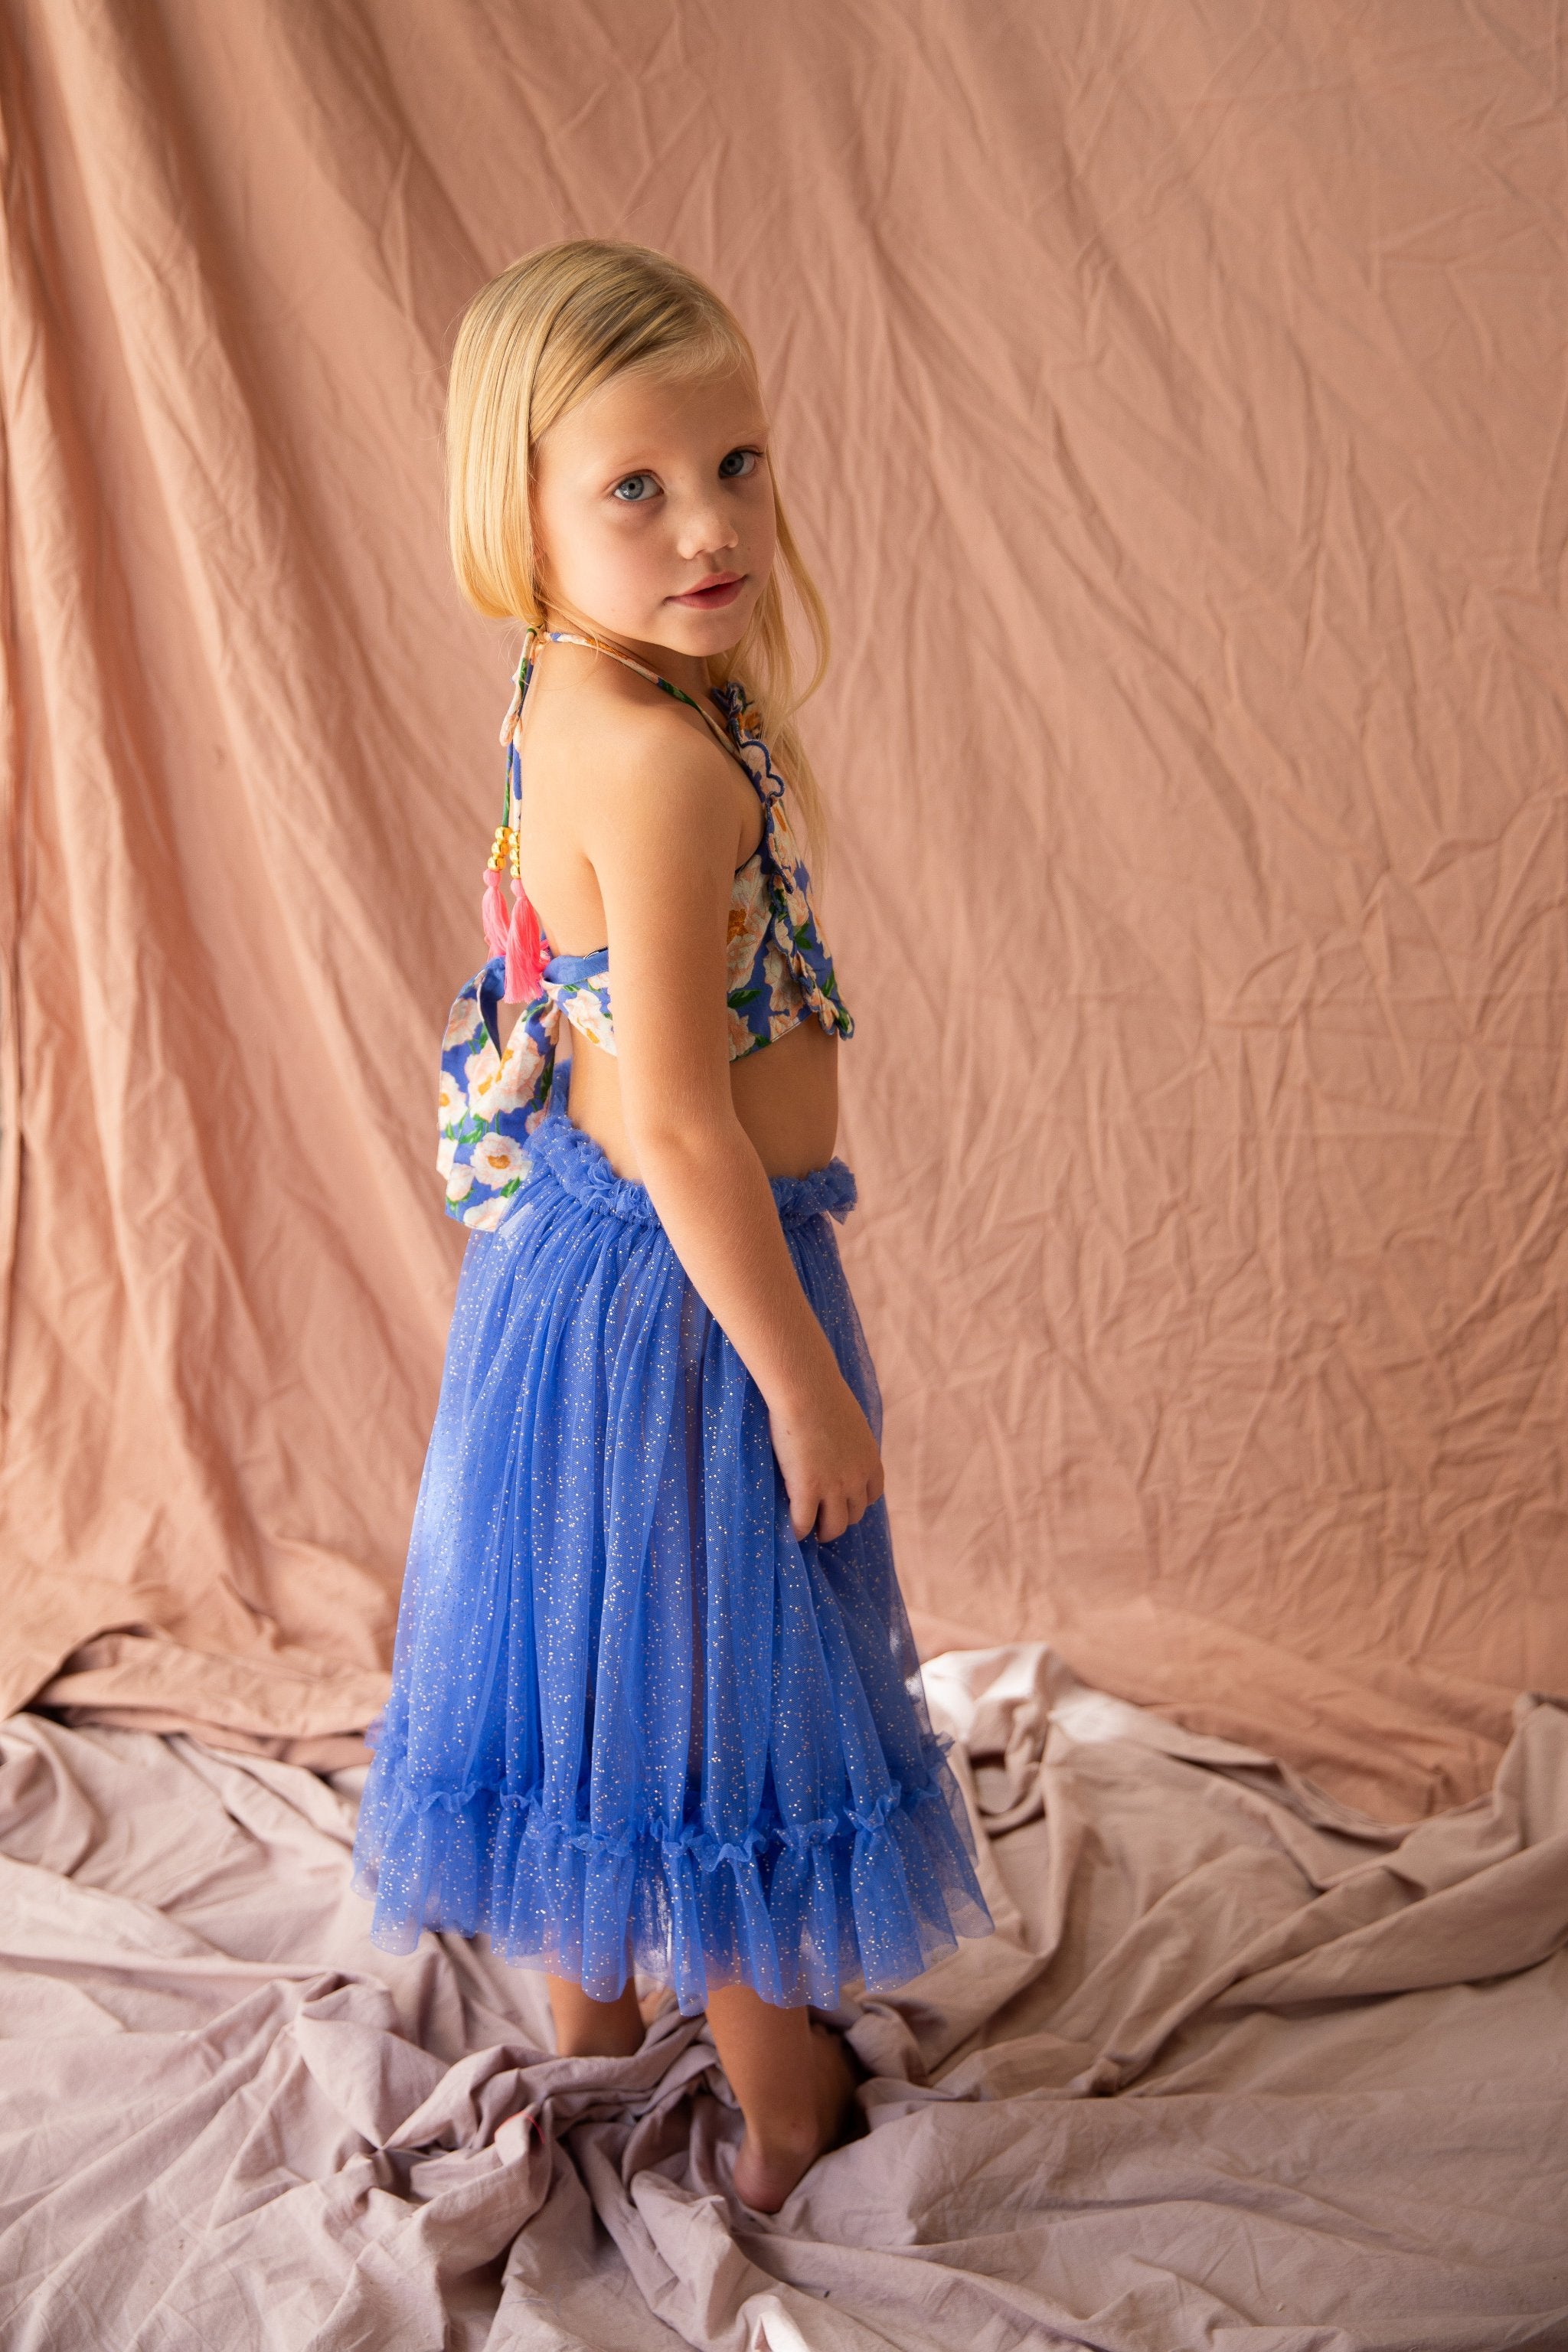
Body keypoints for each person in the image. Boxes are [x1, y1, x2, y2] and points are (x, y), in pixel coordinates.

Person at [350, 237, 994, 2213]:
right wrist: (802, 1386)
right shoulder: (652, 756)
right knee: (713, 1705)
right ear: (523, 516)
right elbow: (696, 1138)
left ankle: (594, 2044)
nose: (709, 525)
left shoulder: (586, 679)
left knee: (588, 1665)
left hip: (574, 1273)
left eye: (738, 463)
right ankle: (787, 2113)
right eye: (636, 486)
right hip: (690, 1292)